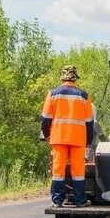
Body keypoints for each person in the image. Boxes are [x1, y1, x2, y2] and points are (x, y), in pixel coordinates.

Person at [41, 65, 96, 206]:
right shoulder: (83, 95)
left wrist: (47, 135)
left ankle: (57, 201)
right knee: (78, 171)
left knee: (58, 170)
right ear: (75, 79)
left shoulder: (52, 94)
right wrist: (88, 140)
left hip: (58, 138)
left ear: (62, 78)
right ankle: (80, 200)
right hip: (78, 139)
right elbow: (89, 121)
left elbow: (46, 119)